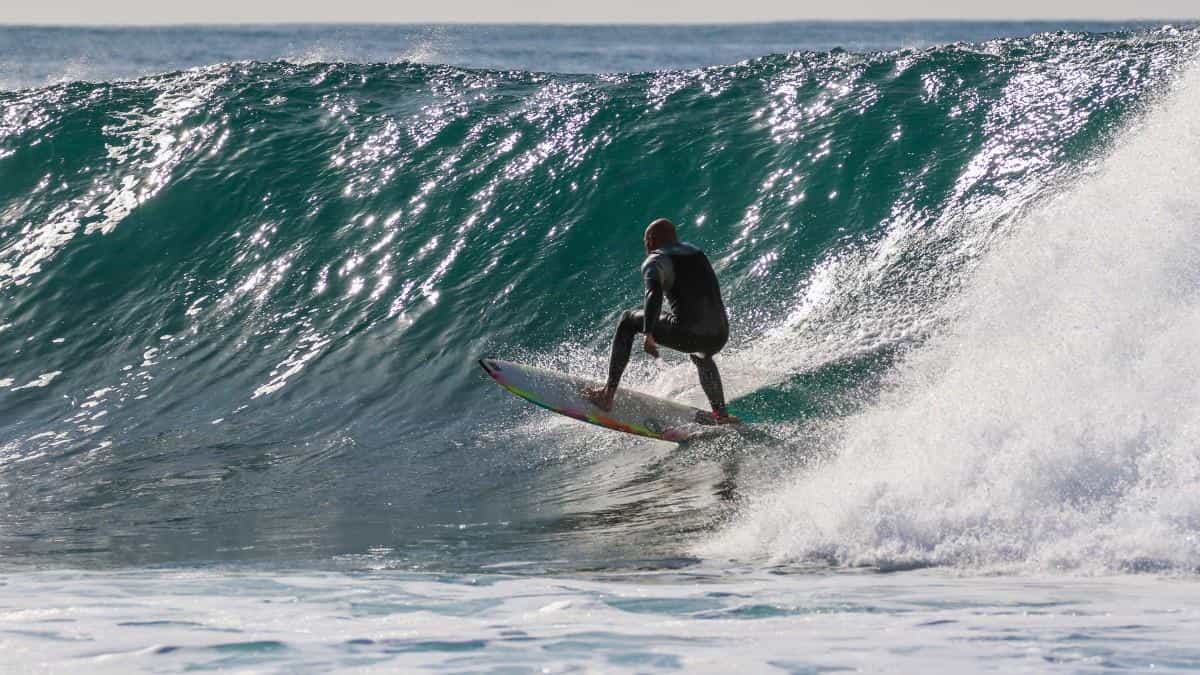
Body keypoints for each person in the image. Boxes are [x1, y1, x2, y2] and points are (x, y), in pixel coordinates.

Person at [583, 218, 740, 425]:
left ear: (651, 239)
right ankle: (721, 415)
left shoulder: (655, 260)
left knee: (628, 319)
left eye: (645, 242)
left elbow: (653, 294)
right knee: (702, 355)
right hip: (719, 334)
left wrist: (648, 333)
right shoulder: (695, 252)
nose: (645, 247)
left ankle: (607, 395)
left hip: (690, 333)